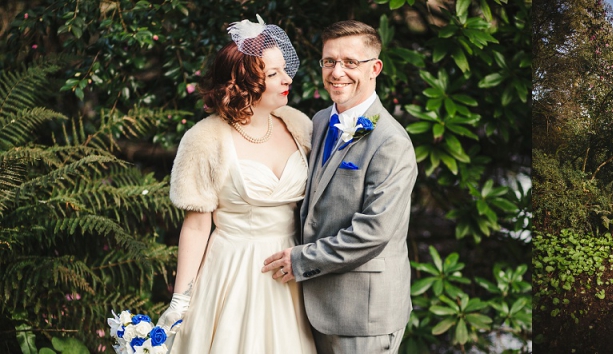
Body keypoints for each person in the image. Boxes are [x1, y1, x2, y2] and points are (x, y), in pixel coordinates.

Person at [157, 16, 316, 353]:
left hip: (290, 269)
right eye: (273, 75)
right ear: (242, 83)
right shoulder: (205, 138)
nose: (288, 79)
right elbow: (197, 227)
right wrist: (180, 300)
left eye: (283, 69)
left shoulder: (299, 126)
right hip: (233, 270)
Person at [261, 20, 418, 354]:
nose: (337, 72)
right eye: (329, 61)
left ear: (375, 68)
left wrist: (300, 260)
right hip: (310, 307)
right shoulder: (318, 121)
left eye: (350, 62)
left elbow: (373, 232)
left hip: (363, 314)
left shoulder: (391, 142)